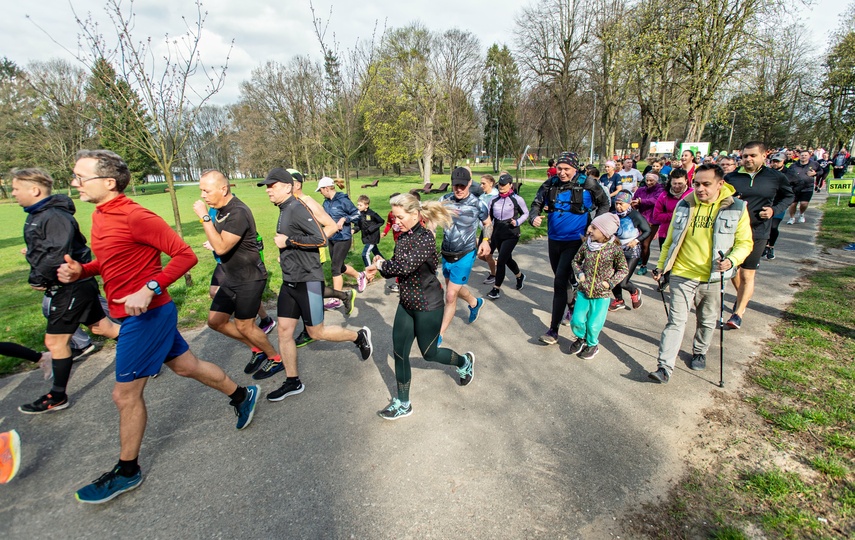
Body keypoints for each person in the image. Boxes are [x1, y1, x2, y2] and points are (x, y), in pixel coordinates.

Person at [58, 149, 260, 504]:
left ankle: (127, 470)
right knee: (186, 367)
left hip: (147, 316)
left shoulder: (136, 216)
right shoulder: (101, 215)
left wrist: (149, 288)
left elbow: (186, 255)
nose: (74, 183)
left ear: (108, 182)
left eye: (79, 177)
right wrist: (83, 270)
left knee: (124, 394)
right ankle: (243, 395)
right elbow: (109, 261)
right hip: (132, 312)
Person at [257, 168, 373, 401]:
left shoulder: (298, 208)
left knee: (316, 332)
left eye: (273, 186)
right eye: (267, 187)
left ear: (288, 187)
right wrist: (285, 252)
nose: (269, 190)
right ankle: (293, 381)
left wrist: (288, 242)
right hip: (289, 280)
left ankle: (358, 336)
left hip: (308, 280)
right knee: (284, 331)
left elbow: (320, 238)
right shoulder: (284, 208)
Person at [11, 168, 116, 415]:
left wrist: (37, 276)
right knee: (103, 328)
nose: (13, 193)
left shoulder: (54, 216)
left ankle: (57, 396)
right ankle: (155, 353)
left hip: (71, 286)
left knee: (55, 342)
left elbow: (59, 255)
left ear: (34, 190)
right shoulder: (38, 214)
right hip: (71, 286)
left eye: (16, 188)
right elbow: (43, 250)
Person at [363, 194, 474, 420]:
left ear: (415, 215)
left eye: (400, 217)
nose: (396, 222)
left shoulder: (426, 239)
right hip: (406, 303)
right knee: (399, 353)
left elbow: (403, 267)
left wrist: (381, 264)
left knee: (430, 353)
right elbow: (397, 267)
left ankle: (464, 362)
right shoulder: (403, 237)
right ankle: (403, 402)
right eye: (394, 217)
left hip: (427, 305)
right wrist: (380, 268)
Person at [649, 164, 753, 383]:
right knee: (675, 322)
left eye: (706, 184)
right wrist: (661, 266)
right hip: (682, 273)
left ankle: (699, 351)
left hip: (713, 277)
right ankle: (664, 367)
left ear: (720, 184)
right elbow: (669, 241)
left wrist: (732, 260)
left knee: (706, 321)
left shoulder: (737, 207)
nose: (700, 189)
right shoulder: (684, 204)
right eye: (696, 183)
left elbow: (745, 243)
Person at [193, 170, 280, 376]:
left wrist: (204, 217)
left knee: (244, 325)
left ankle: (275, 358)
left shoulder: (238, 211)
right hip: (232, 276)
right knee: (215, 321)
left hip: (250, 277)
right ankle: (257, 349)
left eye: (206, 191)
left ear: (223, 189)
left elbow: (221, 248)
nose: (203, 196)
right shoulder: (221, 209)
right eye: (201, 191)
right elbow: (221, 243)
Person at [529, 152, 610, 345]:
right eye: (560, 169)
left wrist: (595, 227)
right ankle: (572, 305)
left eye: (566, 169)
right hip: (554, 240)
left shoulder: (588, 183)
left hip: (576, 240)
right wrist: (534, 217)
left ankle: (553, 330)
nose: (562, 173)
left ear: (575, 168)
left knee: (559, 281)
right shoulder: (550, 184)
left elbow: (604, 203)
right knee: (562, 278)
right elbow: (537, 202)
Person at [725, 142, 793, 330]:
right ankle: (742, 299)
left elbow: (788, 197)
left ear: (764, 156)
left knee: (747, 273)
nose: (748, 159)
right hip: (734, 231)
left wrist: (773, 210)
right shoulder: (731, 177)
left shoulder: (776, 177)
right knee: (733, 271)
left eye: (753, 155)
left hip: (759, 230)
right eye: (745, 156)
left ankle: (738, 313)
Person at [287, 169, 353, 347]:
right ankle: (344, 296)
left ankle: (310, 330)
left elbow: (329, 226)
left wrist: (300, 244)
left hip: (310, 255)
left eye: (285, 182)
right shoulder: (289, 203)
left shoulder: (307, 202)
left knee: (309, 292)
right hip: (296, 258)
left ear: (296, 184)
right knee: (312, 291)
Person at [438, 167, 491, 340]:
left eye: (462, 185)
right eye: (455, 185)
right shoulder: (444, 200)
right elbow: (433, 220)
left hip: (466, 252)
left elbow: (488, 223)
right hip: (446, 252)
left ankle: (439, 335)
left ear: (469, 183)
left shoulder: (477, 204)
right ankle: (475, 303)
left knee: (450, 294)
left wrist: (485, 241)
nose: (459, 189)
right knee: (454, 288)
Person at [568, 213, 628, 359]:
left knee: (594, 324)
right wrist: (580, 273)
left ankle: (592, 345)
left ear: (605, 232)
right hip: (584, 290)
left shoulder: (614, 249)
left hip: (602, 294)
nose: (589, 230)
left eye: (594, 228)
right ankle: (581, 338)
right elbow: (575, 261)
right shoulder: (587, 245)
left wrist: (610, 283)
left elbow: (623, 269)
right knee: (577, 320)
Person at [317, 177, 368, 298]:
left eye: (321, 190)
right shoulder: (326, 202)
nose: (320, 192)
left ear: (327, 188)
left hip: (343, 238)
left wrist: (345, 218)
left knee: (335, 268)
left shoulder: (343, 200)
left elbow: (357, 214)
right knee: (339, 266)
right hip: (331, 238)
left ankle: (337, 297)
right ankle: (359, 275)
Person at [485, 173, 529, 300]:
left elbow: (525, 213)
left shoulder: (517, 199)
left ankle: (496, 289)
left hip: (511, 233)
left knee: (501, 260)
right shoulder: (493, 200)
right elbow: (489, 219)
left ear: (511, 185)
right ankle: (519, 276)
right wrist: (487, 237)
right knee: (507, 258)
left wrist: (517, 222)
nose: (501, 187)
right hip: (497, 233)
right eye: (500, 185)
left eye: (504, 185)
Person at [610, 191, 651, 311]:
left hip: (632, 252)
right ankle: (619, 300)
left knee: (622, 282)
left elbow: (647, 230)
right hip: (617, 250)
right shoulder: (613, 215)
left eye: (621, 204)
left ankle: (634, 291)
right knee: (612, 277)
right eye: (616, 203)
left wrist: (637, 241)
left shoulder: (635, 216)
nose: (618, 206)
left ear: (629, 203)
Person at [632, 172, 665, 275]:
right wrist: (634, 204)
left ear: (656, 181)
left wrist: (641, 201)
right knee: (639, 243)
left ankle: (644, 266)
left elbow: (655, 200)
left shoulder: (660, 190)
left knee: (646, 244)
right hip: (641, 219)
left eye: (651, 181)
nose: (649, 183)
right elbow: (635, 199)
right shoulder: (641, 190)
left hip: (652, 221)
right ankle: (642, 257)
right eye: (647, 180)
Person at [652, 169, 692, 250]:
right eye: (674, 183)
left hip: (686, 234)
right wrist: (676, 215)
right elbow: (656, 215)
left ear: (686, 181)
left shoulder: (692, 194)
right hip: (666, 233)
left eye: (680, 183)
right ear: (670, 182)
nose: (677, 186)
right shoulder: (664, 195)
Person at [785, 149, 821, 224]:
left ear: (809, 156)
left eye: (805, 155)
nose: (803, 157)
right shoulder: (793, 165)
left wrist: (815, 174)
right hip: (794, 188)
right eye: (802, 155)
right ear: (799, 156)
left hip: (807, 187)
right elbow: (787, 175)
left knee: (804, 203)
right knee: (793, 204)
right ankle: (792, 218)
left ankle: (801, 214)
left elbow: (821, 171)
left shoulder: (814, 164)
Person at [764, 153, 788, 259]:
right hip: (766, 204)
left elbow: (793, 189)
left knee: (773, 226)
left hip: (779, 205)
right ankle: (764, 246)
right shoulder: (765, 172)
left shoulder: (788, 173)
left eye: (778, 161)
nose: (775, 163)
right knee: (765, 226)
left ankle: (771, 246)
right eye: (773, 161)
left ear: (783, 162)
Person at [477, 174, 499, 283]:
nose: (481, 186)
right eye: (481, 183)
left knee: (487, 254)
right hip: (484, 229)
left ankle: (493, 275)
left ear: (491, 183)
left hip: (494, 230)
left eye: (483, 183)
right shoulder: (482, 197)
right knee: (480, 254)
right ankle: (495, 263)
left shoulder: (496, 196)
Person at [354, 194, 385, 267]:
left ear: (366, 205)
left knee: (365, 254)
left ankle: (369, 270)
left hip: (373, 237)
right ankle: (387, 266)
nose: (358, 207)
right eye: (358, 205)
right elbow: (358, 225)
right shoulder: (360, 214)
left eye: (360, 205)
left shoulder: (372, 214)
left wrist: (372, 228)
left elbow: (381, 221)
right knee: (376, 252)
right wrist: (354, 230)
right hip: (366, 236)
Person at [381, 192, 403, 292]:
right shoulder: (391, 214)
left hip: (404, 241)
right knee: (398, 260)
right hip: (397, 241)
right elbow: (389, 224)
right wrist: (384, 232)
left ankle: (399, 283)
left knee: (399, 261)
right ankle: (400, 282)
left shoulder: (405, 214)